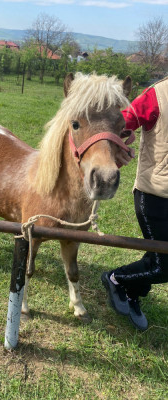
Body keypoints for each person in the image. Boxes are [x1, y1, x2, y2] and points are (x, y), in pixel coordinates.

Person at [101, 76, 168, 331]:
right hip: (155, 196)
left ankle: (132, 293)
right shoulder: (157, 96)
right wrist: (119, 139)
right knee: (164, 266)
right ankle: (116, 278)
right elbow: (118, 123)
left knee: (157, 257)